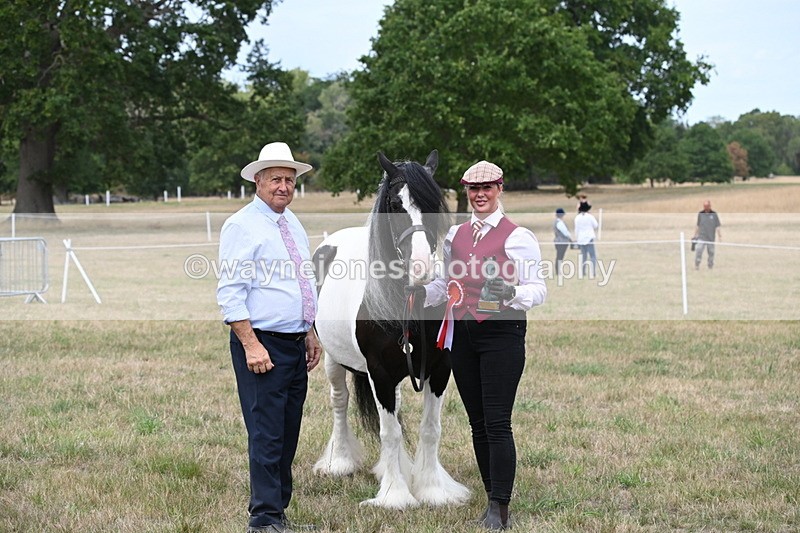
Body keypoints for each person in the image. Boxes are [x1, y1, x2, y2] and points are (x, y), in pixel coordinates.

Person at [421, 160, 547, 530]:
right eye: (473, 189)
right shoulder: (454, 236)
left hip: (501, 334)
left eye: (487, 188)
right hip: (462, 334)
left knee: (497, 422)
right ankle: (492, 491)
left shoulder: (517, 237)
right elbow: (446, 285)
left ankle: (500, 506)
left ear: (499, 189)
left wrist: (511, 292)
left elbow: (538, 289)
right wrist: (416, 292)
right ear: (466, 192)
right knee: (477, 422)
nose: (480, 195)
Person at [217, 141, 322, 533]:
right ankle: (263, 519)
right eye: (276, 179)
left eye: (290, 180)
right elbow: (230, 293)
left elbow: (302, 282)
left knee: (287, 430)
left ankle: (278, 510)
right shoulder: (242, 225)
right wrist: (251, 344)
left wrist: (310, 331)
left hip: (295, 343)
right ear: (258, 181)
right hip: (263, 343)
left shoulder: (291, 222)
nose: (284, 186)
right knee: (266, 432)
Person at [693, 200, 722, 270]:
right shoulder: (700, 214)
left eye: (707, 206)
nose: (706, 208)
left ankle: (710, 265)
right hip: (701, 237)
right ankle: (697, 265)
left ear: (710, 206)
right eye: (704, 206)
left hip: (710, 238)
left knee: (711, 252)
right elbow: (698, 225)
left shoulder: (714, 214)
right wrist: (695, 235)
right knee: (698, 250)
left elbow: (717, 226)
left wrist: (719, 236)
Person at [574, 201, 598, 276]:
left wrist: (577, 238)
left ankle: (583, 272)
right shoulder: (590, 216)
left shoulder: (577, 218)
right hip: (589, 238)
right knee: (592, 256)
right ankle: (593, 272)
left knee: (583, 256)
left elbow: (576, 229)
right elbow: (596, 225)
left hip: (581, 239)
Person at [553, 208, 572, 276]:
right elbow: (565, 232)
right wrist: (570, 238)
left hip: (558, 241)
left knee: (559, 256)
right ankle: (558, 271)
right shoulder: (560, 223)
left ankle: (558, 270)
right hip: (562, 242)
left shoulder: (556, 222)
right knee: (560, 256)